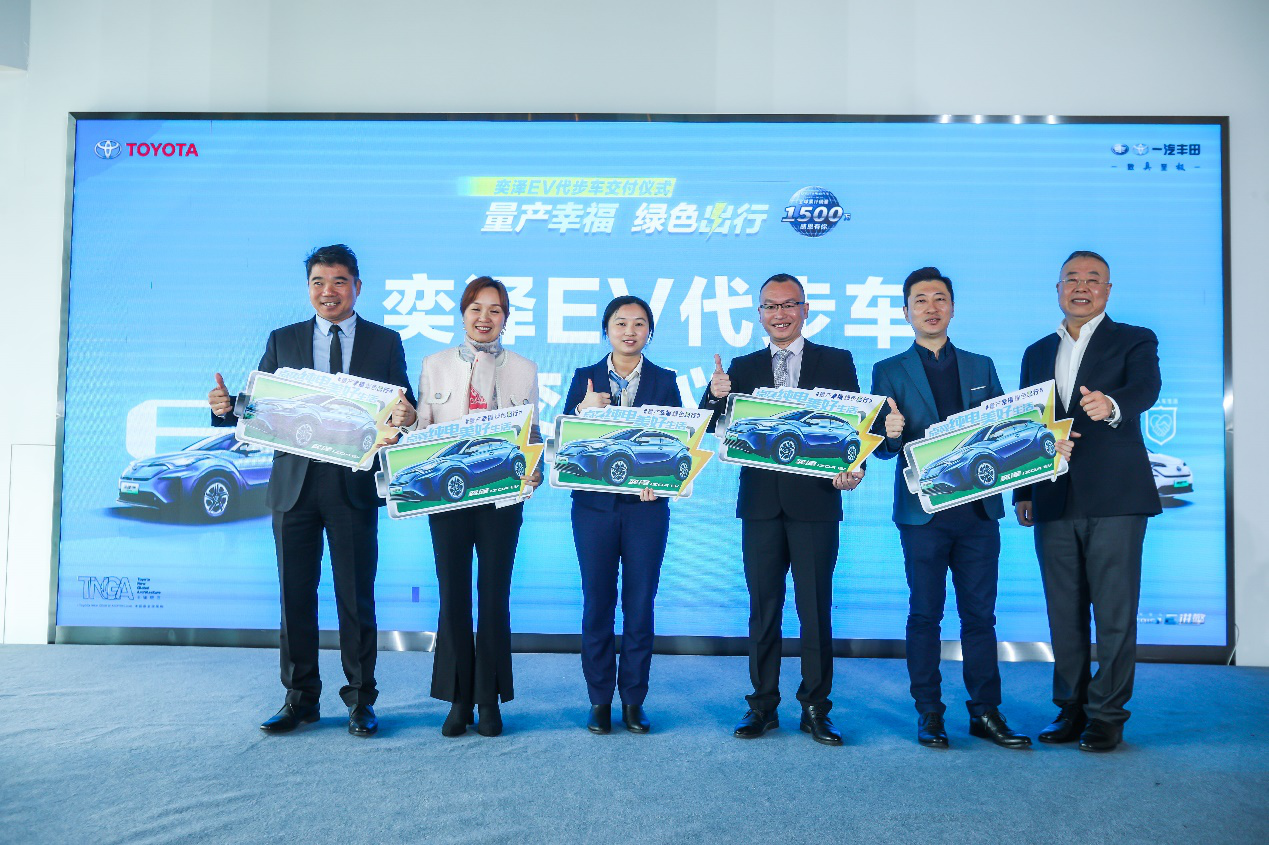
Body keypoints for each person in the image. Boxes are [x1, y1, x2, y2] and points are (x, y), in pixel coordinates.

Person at [207, 244, 416, 738]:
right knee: (294, 596)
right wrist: (226, 407)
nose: (329, 291)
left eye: (339, 281)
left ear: (357, 287)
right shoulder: (283, 340)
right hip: (294, 486)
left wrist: (407, 417)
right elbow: (260, 408)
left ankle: (361, 700)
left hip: (352, 486)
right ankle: (300, 699)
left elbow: (403, 407)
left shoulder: (385, 342)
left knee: (355, 598)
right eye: (319, 282)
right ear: (308, 289)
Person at [872, 267, 1068, 749]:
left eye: (940, 298)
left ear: (953, 308)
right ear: (906, 312)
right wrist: (889, 435)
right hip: (923, 515)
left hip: (979, 514)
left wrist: (1043, 457)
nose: (931, 307)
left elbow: (1010, 428)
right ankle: (929, 713)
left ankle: (985, 712)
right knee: (925, 616)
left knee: (980, 617)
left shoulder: (981, 366)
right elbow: (881, 448)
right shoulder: (889, 370)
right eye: (921, 300)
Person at [700, 273, 863, 746]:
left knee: (815, 610)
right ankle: (763, 705)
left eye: (789, 305)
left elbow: (853, 425)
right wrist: (715, 393)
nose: (780, 314)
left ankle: (815, 708)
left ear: (805, 310)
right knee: (763, 610)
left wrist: (853, 468)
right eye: (770, 306)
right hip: (761, 506)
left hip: (816, 503)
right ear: (760, 315)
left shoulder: (837, 361)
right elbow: (711, 425)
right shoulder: (743, 366)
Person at [1015, 250, 1161, 752]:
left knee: (1115, 614)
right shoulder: (1037, 351)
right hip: (1053, 494)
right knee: (1064, 612)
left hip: (1116, 496)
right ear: (1058, 289)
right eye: (1072, 279)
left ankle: (1108, 716)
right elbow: (1028, 422)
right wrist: (1024, 489)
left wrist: (1113, 404)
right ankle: (1071, 708)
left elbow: (1147, 388)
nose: (1081, 287)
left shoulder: (1134, 339)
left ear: (1107, 290)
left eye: (1092, 279)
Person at [400, 276, 542, 738]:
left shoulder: (524, 368)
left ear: (506, 318)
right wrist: (406, 425)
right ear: (463, 314)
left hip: (502, 495)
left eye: (495, 310)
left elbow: (531, 433)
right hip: (449, 494)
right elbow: (420, 430)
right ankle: (458, 699)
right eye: (476, 309)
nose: (485, 318)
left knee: (494, 597)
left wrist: (535, 470)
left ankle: (489, 698)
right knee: (454, 595)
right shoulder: (435, 364)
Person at [562, 295, 682, 735]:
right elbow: (566, 444)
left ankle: (633, 699)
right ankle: (599, 699)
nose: (630, 331)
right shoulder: (585, 377)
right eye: (620, 323)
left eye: (639, 323)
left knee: (639, 603)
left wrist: (662, 480)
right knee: (597, 602)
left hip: (646, 510)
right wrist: (582, 410)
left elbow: (677, 443)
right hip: (593, 509)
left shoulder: (666, 380)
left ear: (650, 331)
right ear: (606, 330)